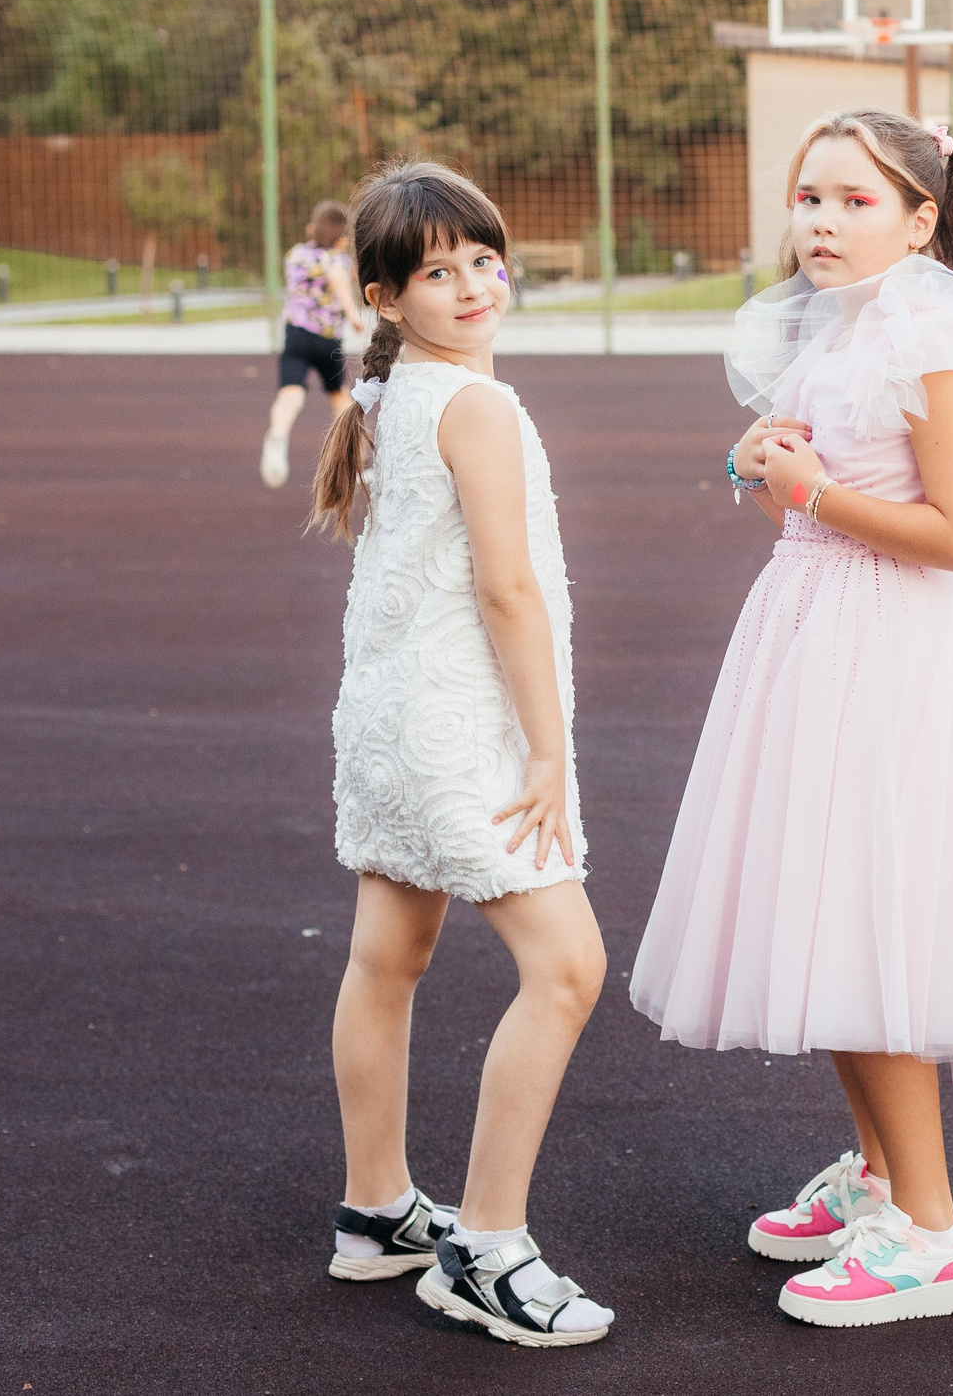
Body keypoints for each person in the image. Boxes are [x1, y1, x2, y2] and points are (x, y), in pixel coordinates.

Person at [629, 109, 953, 1328]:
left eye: (855, 202)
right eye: (808, 198)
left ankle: (931, 1232)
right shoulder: (833, 322)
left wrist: (809, 487)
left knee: (873, 919)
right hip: (819, 636)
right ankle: (881, 1178)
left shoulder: (928, 328)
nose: (820, 222)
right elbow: (808, 505)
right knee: (829, 915)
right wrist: (768, 472)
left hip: (901, 653)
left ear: (920, 218)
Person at [308, 160, 612, 1349]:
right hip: (455, 727)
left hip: (385, 720)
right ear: (387, 298)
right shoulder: (475, 405)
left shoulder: (388, 398)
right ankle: (486, 1246)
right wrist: (548, 750)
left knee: (388, 955)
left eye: (485, 260)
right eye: (440, 273)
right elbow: (508, 587)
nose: (476, 285)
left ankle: (377, 1211)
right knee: (568, 967)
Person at [261, 200, 366, 490]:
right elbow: (338, 279)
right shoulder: (338, 261)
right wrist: (354, 314)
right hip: (327, 341)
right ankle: (356, 463)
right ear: (343, 239)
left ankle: (279, 432)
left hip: (296, 335)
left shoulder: (296, 255)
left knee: (290, 392)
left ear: (311, 229)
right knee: (340, 399)